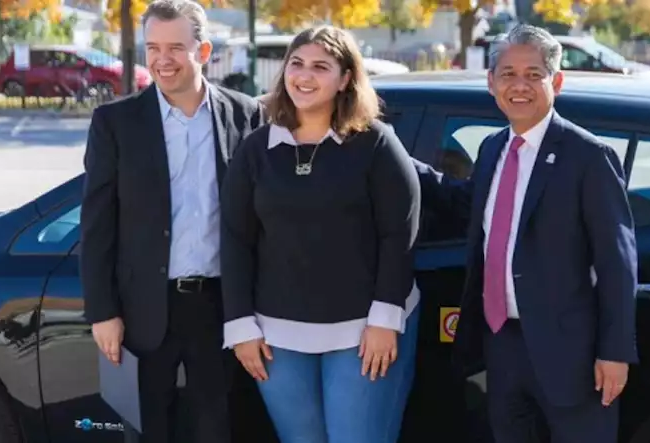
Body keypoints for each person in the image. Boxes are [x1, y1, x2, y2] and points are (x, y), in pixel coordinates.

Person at [434, 24, 639, 443]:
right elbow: (468, 205)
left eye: (533, 74)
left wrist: (614, 352)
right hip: (502, 343)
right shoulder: (492, 148)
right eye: (507, 74)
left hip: (571, 353)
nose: (519, 86)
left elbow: (617, 263)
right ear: (491, 83)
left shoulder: (588, 157)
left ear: (556, 82)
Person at [219, 25, 422, 443]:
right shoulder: (256, 149)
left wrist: (386, 319)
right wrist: (240, 326)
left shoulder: (376, 145)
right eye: (296, 64)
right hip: (276, 337)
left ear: (346, 78)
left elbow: (398, 235)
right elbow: (235, 239)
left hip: (364, 331)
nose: (304, 76)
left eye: (320, 67)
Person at [78, 0, 267, 441]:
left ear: (203, 52)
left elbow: (260, 219)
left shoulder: (245, 116)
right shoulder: (114, 122)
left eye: (175, 48)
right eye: (153, 47)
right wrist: (103, 312)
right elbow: (97, 224)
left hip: (219, 307)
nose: (162, 60)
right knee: (146, 431)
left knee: (217, 428)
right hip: (143, 308)